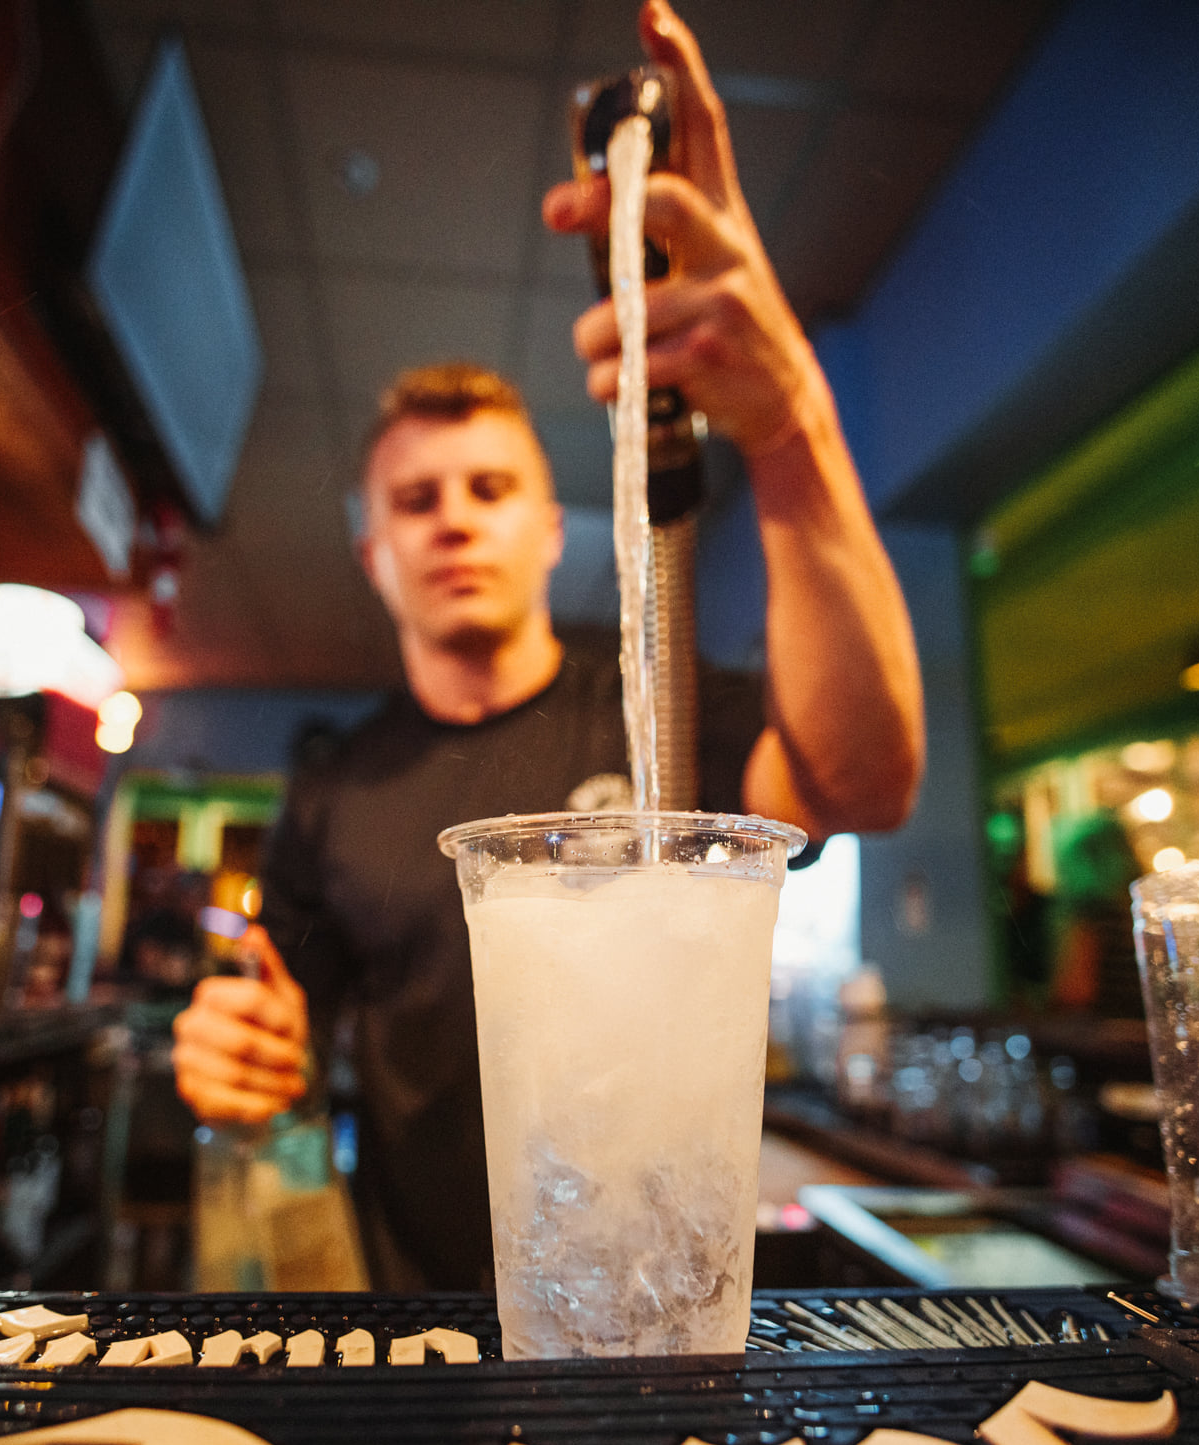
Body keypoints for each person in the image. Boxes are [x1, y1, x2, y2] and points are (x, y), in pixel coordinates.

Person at [171, 0, 925, 1288]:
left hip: (656, 1310)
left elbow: (866, 782)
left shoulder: (664, 712)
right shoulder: (338, 788)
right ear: (374, 554)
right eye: (417, 500)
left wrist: (790, 426)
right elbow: (278, 1029)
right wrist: (235, 1052)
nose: (454, 520)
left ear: (547, 533)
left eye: (490, 489)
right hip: (419, 1321)